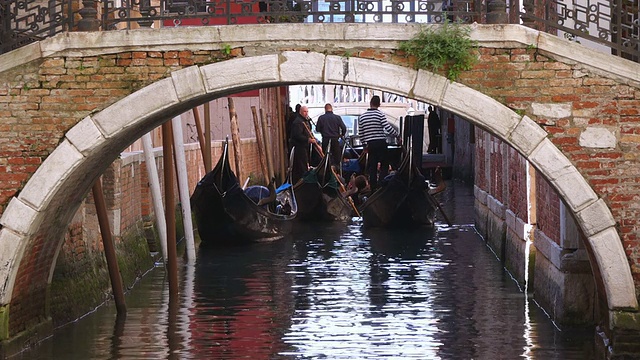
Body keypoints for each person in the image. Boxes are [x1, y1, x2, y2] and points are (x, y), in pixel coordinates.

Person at [357, 95, 399, 191]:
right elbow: (387, 128)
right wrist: (397, 135)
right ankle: (381, 185)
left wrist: (364, 145)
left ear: (370, 103)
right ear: (379, 104)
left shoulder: (362, 117)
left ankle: (373, 188)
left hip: (371, 144)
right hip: (381, 142)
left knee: (373, 167)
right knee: (384, 165)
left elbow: (361, 133)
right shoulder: (380, 115)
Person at [289, 105, 317, 184]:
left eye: (307, 112)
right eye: (304, 112)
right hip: (299, 147)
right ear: (301, 112)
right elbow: (297, 135)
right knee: (301, 166)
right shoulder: (298, 122)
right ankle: (302, 182)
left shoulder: (305, 121)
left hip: (304, 147)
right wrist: (308, 140)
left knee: (304, 164)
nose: (306, 113)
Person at [316, 103, 347, 168]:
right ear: (331, 109)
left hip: (325, 139)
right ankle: (338, 171)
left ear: (325, 109)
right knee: (337, 158)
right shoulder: (337, 117)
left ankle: (327, 169)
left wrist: (323, 130)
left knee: (325, 157)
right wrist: (341, 135)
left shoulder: (321, 118)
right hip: (335, 139)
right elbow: (344, 128)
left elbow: (317, 129)